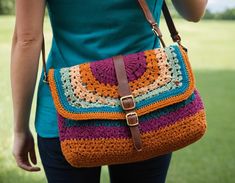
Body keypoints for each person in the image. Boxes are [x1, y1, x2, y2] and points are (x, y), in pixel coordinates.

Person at [11, 0, 207, 182]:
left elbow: (27, 39)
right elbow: (194, 12)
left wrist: (20, 130)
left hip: (63, 114)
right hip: (150, 104)